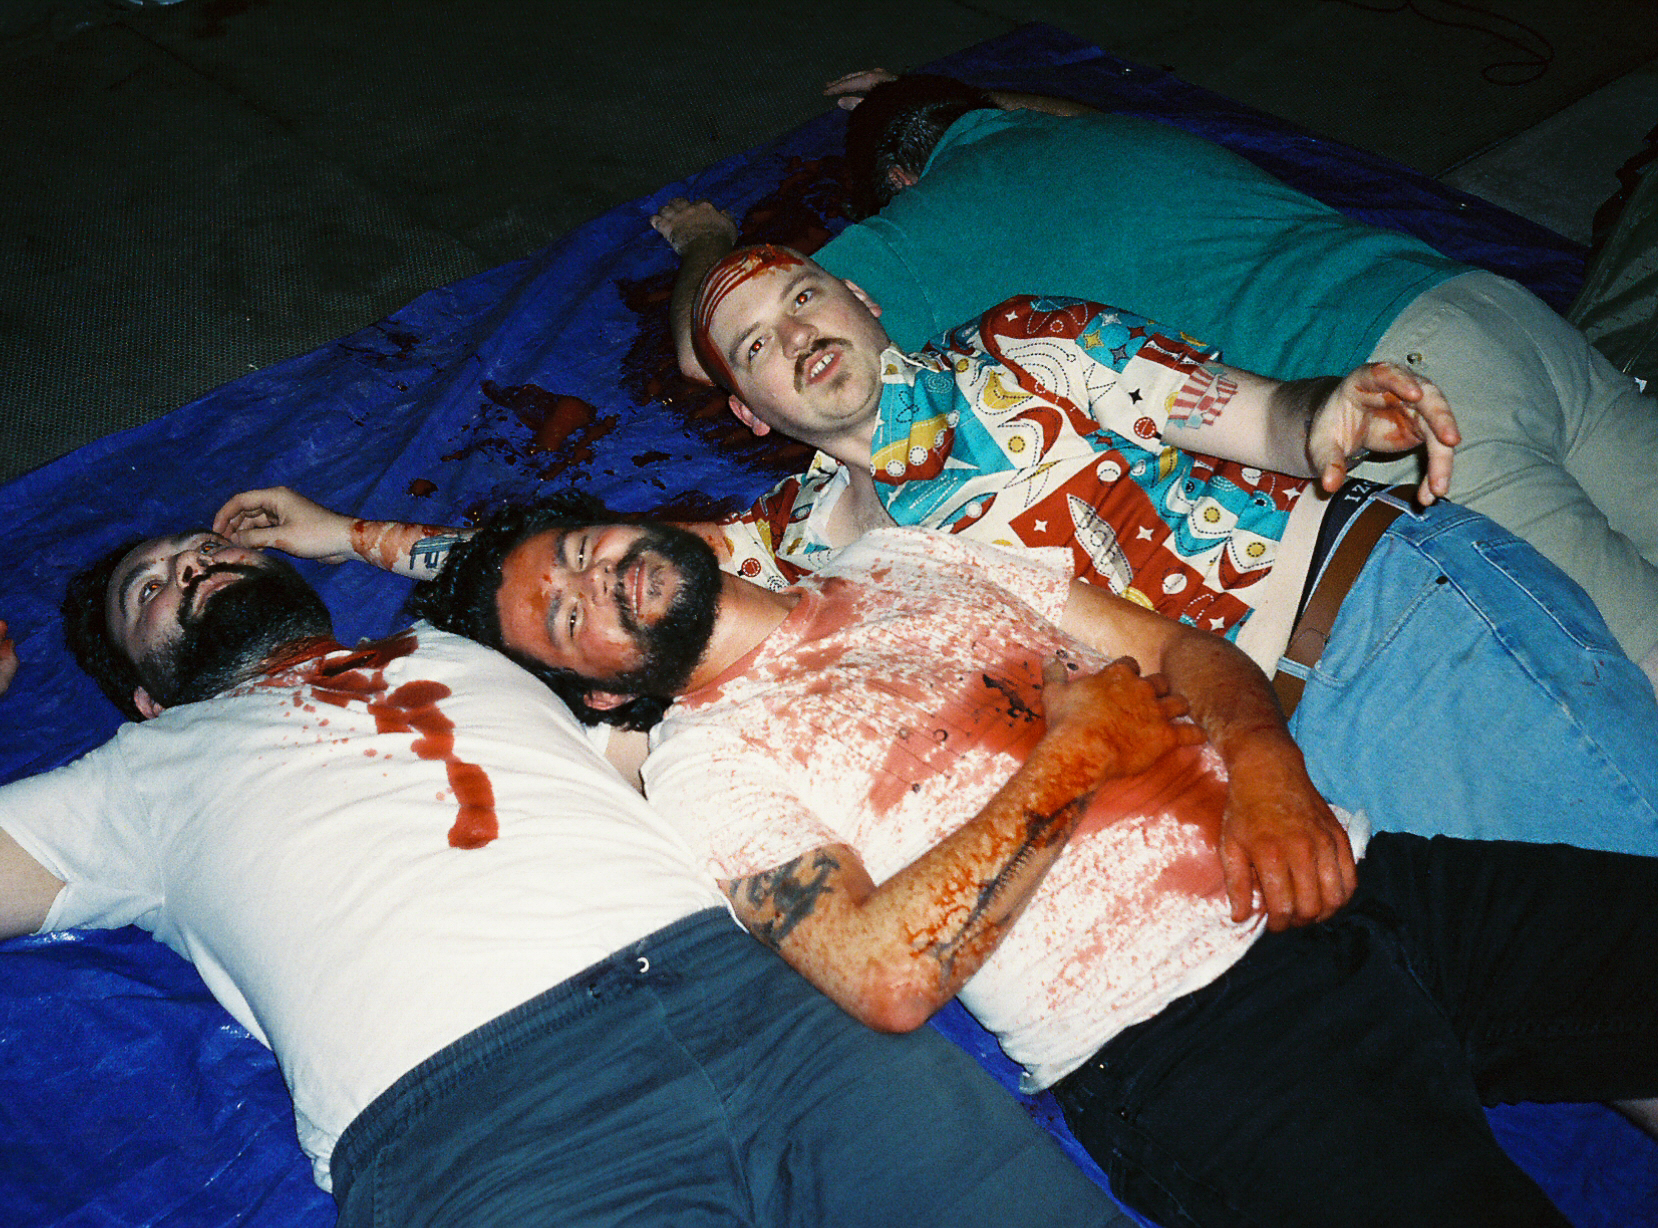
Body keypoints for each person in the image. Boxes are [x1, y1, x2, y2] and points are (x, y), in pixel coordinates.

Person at [414, 495, 1658, 1228]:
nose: (595, 578)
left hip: (1361, 870)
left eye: (576, 548)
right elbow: (883, 973)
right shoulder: (706, 766)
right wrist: (1075, 755)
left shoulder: (903, 555)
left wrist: (1267, 761)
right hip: (1195, 1042)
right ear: (599, 693)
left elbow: (1178, 651)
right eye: (566, 615)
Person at [0, 530, 1134, 1228]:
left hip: (766, 1017)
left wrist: (342, 528)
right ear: (143, 688)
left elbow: (558, 565)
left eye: (194, 549)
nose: (186, 565)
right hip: (489, 1128)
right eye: (151, 590)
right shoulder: (129, 778)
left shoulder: (455, 649)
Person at [654, 72, 1658, 681]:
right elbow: (1051, 108)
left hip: (1398, 394)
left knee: (1633, 670)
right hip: (1493, 313)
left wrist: (706, 238)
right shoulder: (1106, 131)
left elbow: (713, 351)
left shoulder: (918, 235)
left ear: (900, 190)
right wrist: (933, 95)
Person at [672, 242, 1658, 855]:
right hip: (1268, 787)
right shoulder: (791, 547)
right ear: (749, 414)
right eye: (755, 346)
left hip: (1379, 640)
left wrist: (1330, 414)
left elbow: (1262, 416)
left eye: (803, 296)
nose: (793, 336)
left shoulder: (1023, 348)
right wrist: (695, 243)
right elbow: (621, 599)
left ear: (860, 296)